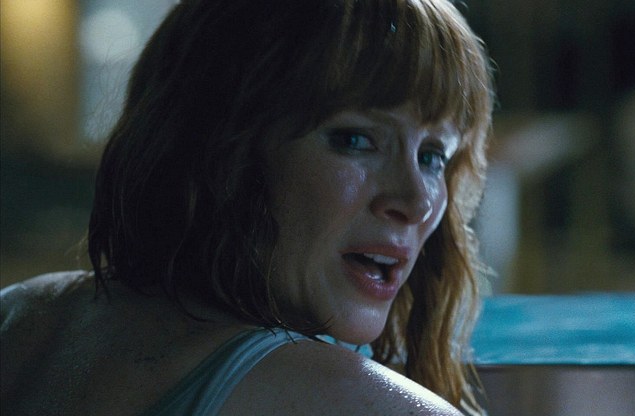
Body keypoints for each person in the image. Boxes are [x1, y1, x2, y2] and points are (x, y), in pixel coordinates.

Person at [0, 0, 494, 414]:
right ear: (218, 146)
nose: (417, 201)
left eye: (433, 156)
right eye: (354, 139)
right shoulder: (348, 401)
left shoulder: (21, 313)